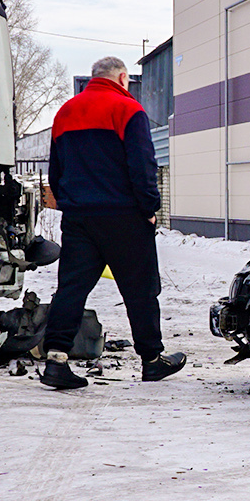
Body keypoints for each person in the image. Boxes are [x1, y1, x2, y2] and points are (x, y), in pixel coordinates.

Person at [38, 56, 185, 389]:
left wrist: (70, 204)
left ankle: (56, 361)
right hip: (125, 218)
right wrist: (149, 207)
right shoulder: (128, 110)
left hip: (79, 219)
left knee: (72, 289)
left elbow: (55, 172)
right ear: (121, 77)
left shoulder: (65, 113)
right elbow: (143, 165)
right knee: (141, 291)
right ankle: (151, 361)